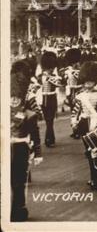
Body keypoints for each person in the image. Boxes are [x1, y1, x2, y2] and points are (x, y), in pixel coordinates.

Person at [71, 61, 97, 190]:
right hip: (84, 124)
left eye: (90, 81)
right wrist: (73, 121)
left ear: (95, 80)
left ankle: (96, 178)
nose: (88, 84)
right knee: (89, 152)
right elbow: (76, 111)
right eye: (86, 81)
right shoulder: (80, 96)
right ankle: (94, 177)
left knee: (96, 151)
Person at [10, 71, 43, 221]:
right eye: (11, 97)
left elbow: (35, 135)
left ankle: (19, 208)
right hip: (5, 150)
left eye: (16, 98)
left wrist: (38, 153)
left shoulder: (29, 115)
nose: (14, 100)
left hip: (20, 149)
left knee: (18, 182)